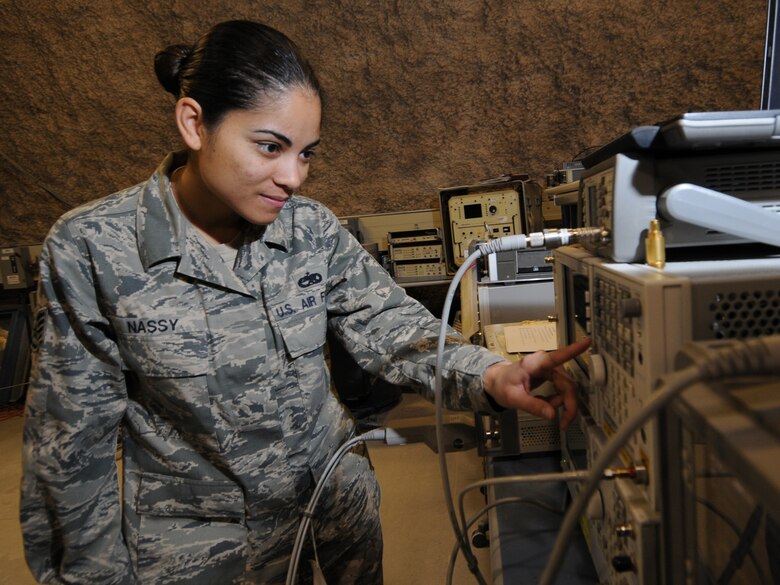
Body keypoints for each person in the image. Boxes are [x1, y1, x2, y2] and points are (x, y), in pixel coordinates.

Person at [20, 19, 591, 585]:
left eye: (307, 153)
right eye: (270, 147)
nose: (293, 176)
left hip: (336, 513)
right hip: (206, 552)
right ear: (195, 123)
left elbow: (390, 326)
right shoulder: (93, 248)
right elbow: (71, 451)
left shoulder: (311, 229)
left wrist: (489, 375)